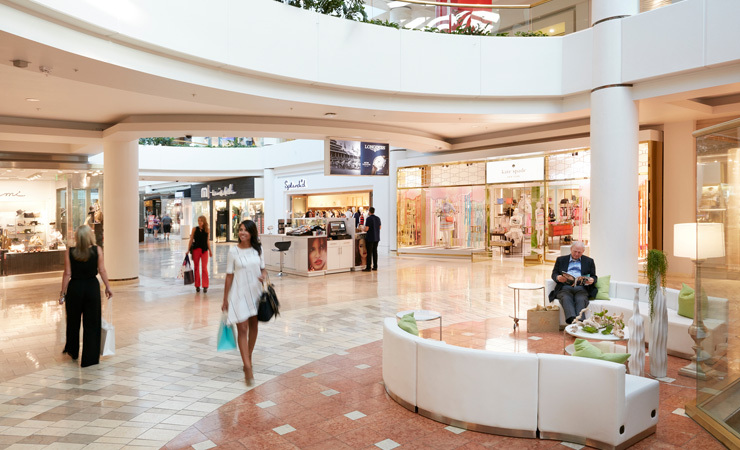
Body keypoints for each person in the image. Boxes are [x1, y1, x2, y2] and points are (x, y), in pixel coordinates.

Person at [59, 225, 113, 367]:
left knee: (73, 321)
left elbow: (67, 273)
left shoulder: (70, 252)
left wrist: (62, 292)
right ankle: (89, 358)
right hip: (91, 288)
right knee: (92, 323)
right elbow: (102, 270)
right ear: (90, 236)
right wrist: (108, 287)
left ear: (77, 237)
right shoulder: (97, 250)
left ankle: (73, 351)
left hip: (75, 288)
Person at [222, 220, 266, 386]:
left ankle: (249, 356)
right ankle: (247, 367)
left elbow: (263, 269)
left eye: (246, 230)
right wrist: (225, 298)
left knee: (254, 326)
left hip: (255, 292)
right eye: (240, 230)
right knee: (242, 328)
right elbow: (229, 275)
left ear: (252, 233)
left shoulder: (258, 250)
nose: (242, 233)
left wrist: (264, 276)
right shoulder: (233, 252)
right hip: (239, 293)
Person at [548, 241, 598, 324]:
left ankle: (580, 322)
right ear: (571, 249)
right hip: (565, 287)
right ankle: (573, 321)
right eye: (575, 251)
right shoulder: (561, 260)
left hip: (581, 288)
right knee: (566, 297)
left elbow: (594, 276)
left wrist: (592, 280)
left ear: (583, 251)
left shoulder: (589, 261)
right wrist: (558, 277)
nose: (576, 254)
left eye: (579, 252)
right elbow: (554, 274)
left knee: (581, 298)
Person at [187, 215, 213, 293]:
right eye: (198, 221)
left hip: (204, 250)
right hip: (196, 250)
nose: (199, 222)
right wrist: (188, 250)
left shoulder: (207, 230)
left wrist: (210, 251)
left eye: (201, 221)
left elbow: (207, 241)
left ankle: (205, 286)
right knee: (196, 267)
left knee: (204, 268)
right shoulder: (194, 229)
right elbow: (191, 240)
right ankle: (197, 285)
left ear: (204, 221)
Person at [363, 207, 381, 271]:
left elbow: (366, 229)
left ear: (369, 212)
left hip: (370, 237)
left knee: (369, 252)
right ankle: (375, 266)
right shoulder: (378, 218)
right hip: (376, 237)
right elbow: (380, 227)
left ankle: (368, 267)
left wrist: (363, 229)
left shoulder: (368, 219)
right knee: (375, 251)